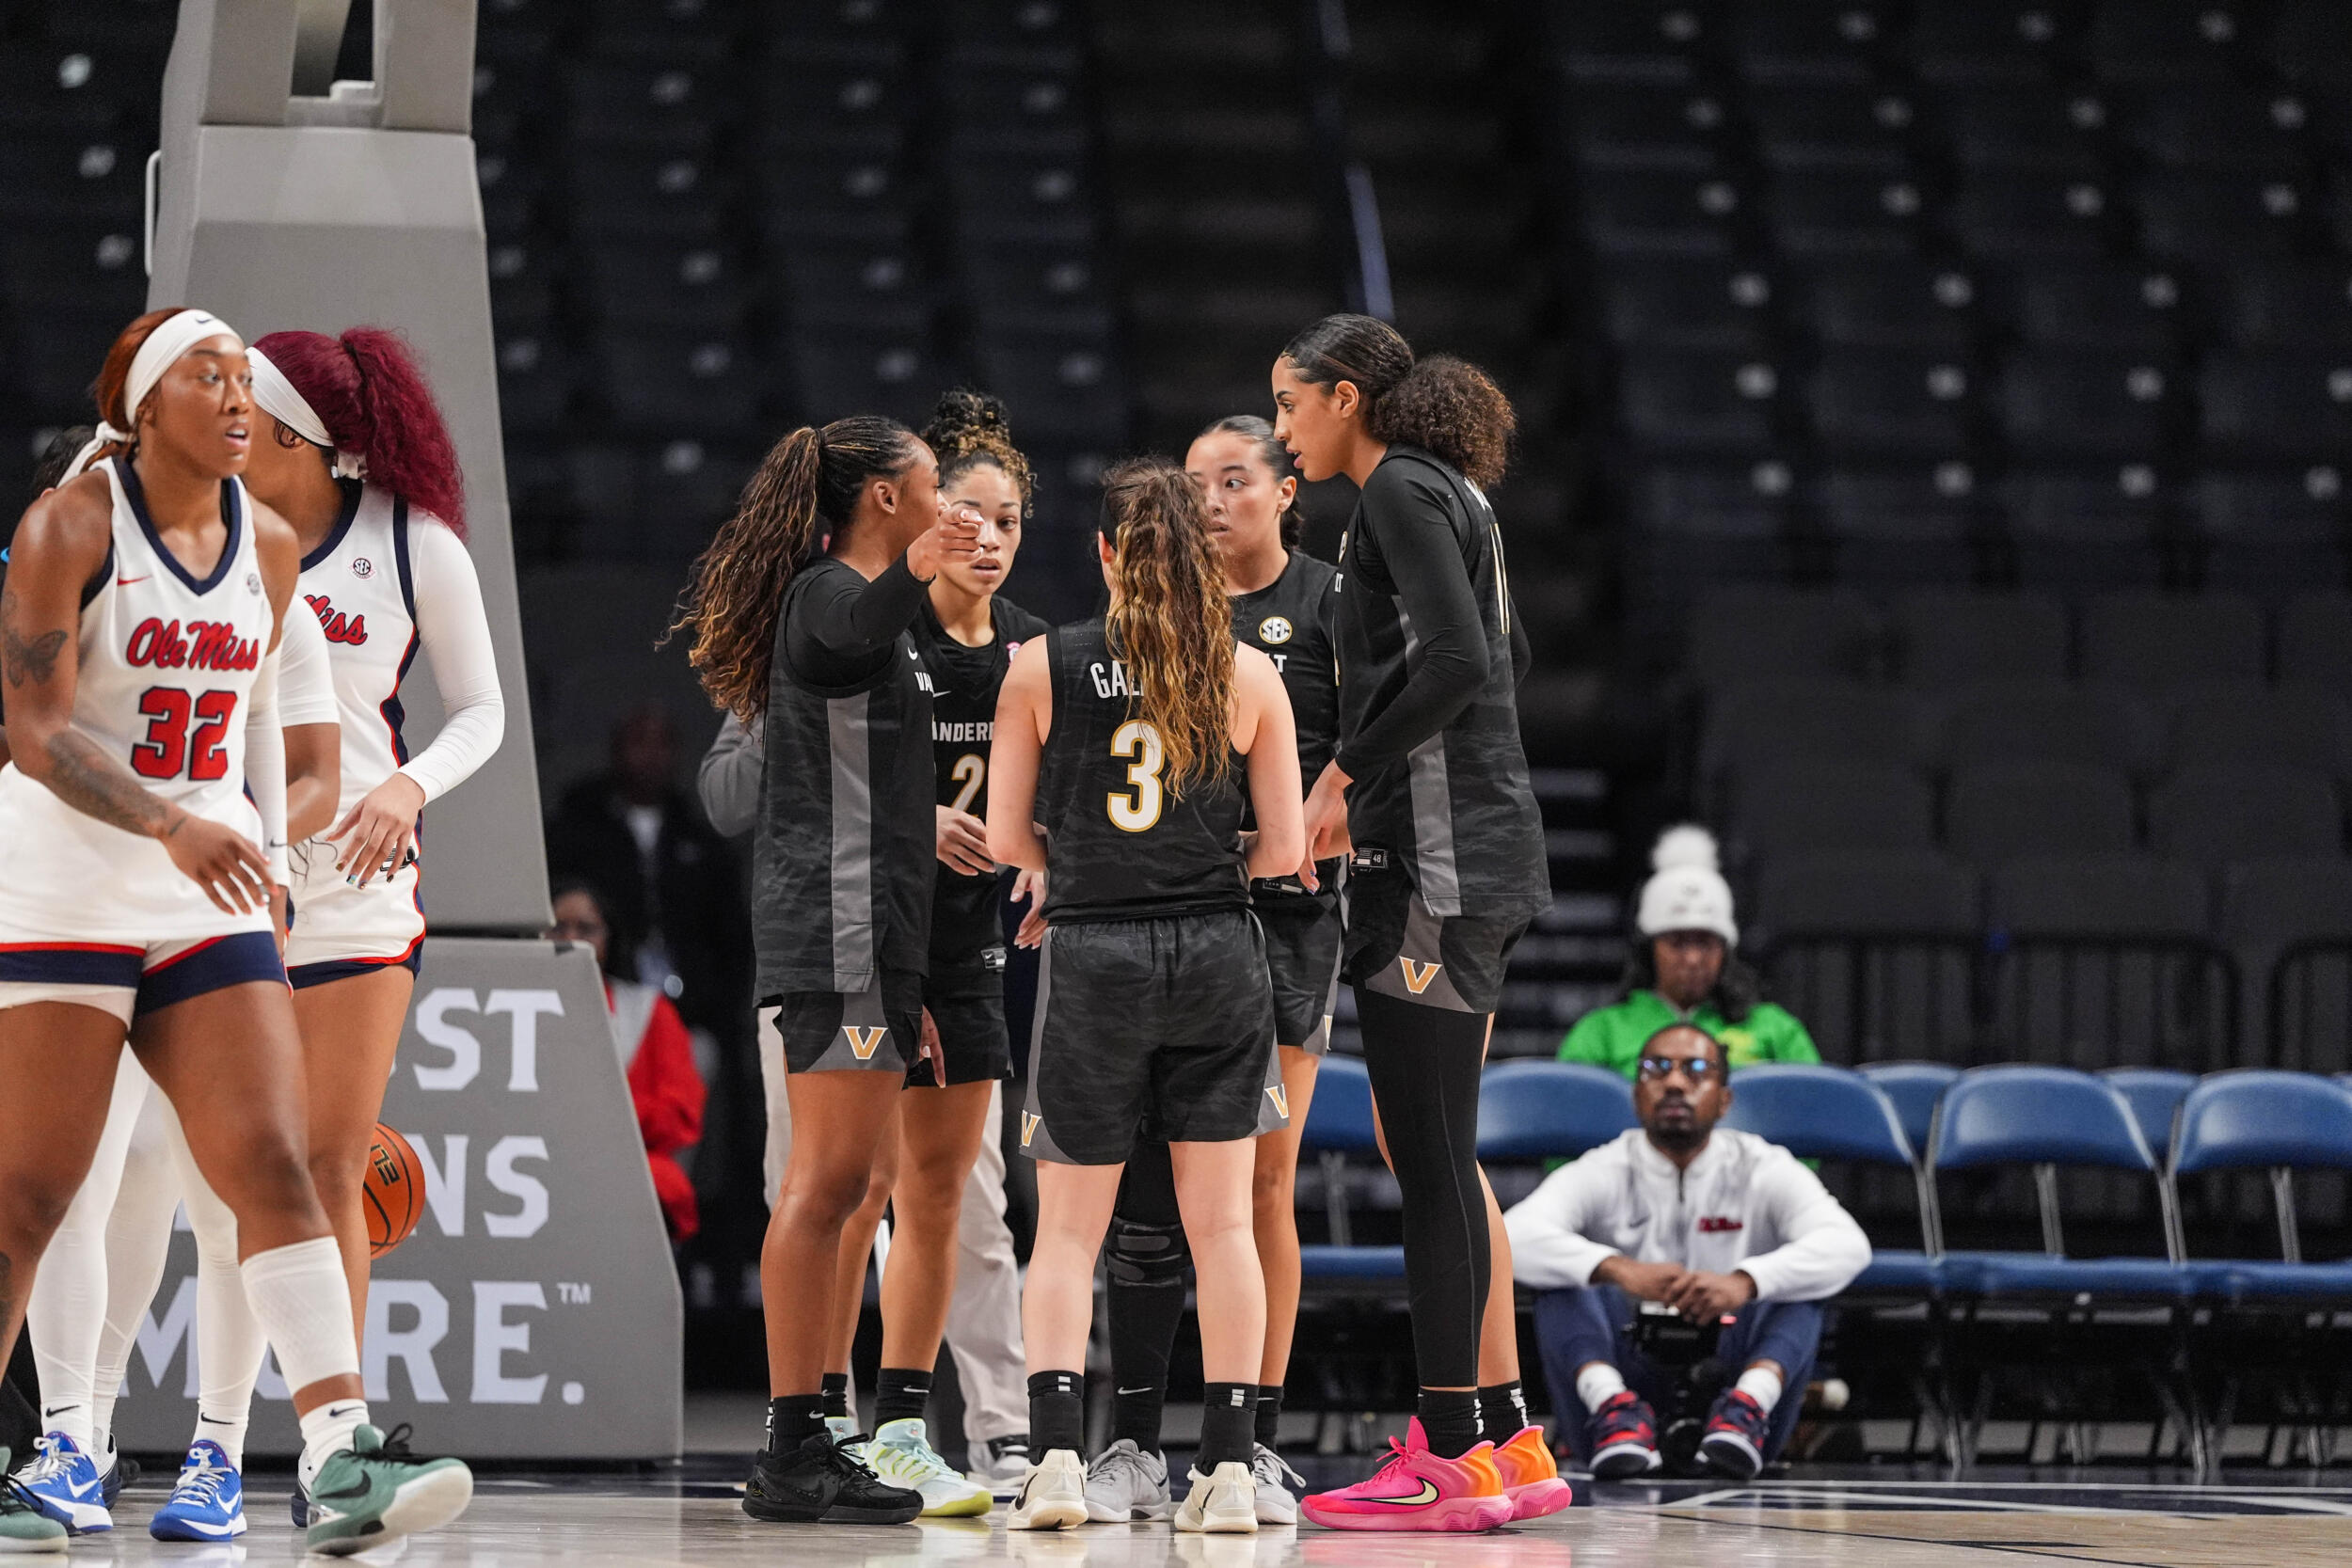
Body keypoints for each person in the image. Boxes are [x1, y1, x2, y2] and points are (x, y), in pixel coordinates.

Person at [0, 307, 470, 1555]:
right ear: (145, 405)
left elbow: (298, 746)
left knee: (271, 1161)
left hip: (203, 889)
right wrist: (171, 820)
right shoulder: (69, 525)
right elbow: (35, 730)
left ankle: (337, 1449)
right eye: (208, 376)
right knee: (34, 1193)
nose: (236, 396)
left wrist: (261, 837)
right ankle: (63, 1435)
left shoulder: (267, 547)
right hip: (68, 883)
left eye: (244, 382)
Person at [1274, 314, 1554, 1532]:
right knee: (1434, 1150)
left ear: (1344, 397)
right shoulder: (1449, 491)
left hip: (1439, 865)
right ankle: (1504, 1432)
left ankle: (1446, 1445)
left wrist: (1345, 775)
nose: (1283, 430)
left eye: (1288, 404)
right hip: (1469, 846)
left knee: (1431, 1162)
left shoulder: (1395, 486)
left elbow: (1459, 660)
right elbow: (1508, 650)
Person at [988, 456, 1303, 1536]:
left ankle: (1055, 1458)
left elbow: (1004, 837)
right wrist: (1201, 866)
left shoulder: (1040, 663)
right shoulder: (1247, 671)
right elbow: (1286, 851)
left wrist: (1082, 872)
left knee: (1068, 1233)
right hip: (1217, 954)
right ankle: (1227, 1468)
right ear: (1201, 555)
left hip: (1093, 954)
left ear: (1106, 553)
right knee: (1224, 1227)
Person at [671, 413, 977, 1525]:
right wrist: (919, 567)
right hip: (835, 930)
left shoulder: (871, 605)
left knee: (848, 1185)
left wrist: (912, 978)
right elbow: (845, 628)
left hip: (873, 938)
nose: (946, 499)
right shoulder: (825, 595)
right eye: (932, 482)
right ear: (885, 497)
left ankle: (808, 1437)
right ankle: (794, 1438)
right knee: (823, 1187)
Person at [1084, 415, 1339, 1527]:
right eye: (1194, 485)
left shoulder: (1330, 605)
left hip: (1282, 925)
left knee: (1259, 1189)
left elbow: (1377, 751)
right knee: (1142, 1200)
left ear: (1286, 492)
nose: (1211, 501)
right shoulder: (1136, 619)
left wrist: (1304, 824)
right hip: (1152, 927)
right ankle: (1133, 1440)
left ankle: (1251, 1441)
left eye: (1234, 478)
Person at [699, 710, 1035, 1491]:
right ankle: (820, 1425)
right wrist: (786, 713)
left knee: (966, 1201)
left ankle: (997, 1426)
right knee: (818, 1192)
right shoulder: (794, 665)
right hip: (826, 960)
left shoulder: (993, 659)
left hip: (948, 956)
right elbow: (726, 798)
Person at [1506, 1022, 1870, 1481]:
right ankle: (1612, 1406)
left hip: (1732, 1366)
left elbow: (1848, 1244)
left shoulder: (1762, 1165)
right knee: (1564, 1276)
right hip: (1625, 1367)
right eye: (1656, 1069)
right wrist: (1618, 1269)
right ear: (1637, 1096)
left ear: (1724, 1100)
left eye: (1696, 1070)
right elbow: (1511, 1235)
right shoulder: (1604, 1166)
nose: (1675, 1082)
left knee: (1799, 1280)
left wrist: (1745, 1281)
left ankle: (1748, 1405)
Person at [545, 705, 751, 1040]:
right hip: (598, 1005)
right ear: (616, 749)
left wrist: (719, 1009)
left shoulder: (700, 839)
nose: (650, 755)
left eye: (661, 743)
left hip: (691, 1015)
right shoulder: (577, 832)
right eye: (639, 741)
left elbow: (731, 940)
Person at [1561, 826, 1820, 1078]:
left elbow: (1815, 1100)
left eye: (1706, 942)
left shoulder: (1776, 1029)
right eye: (1677, 943)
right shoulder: (1601, 1033)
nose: (1693, 958)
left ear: (1726, 950)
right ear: (1649, 948)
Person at [549, 881, 707, 1243]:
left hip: (628, 1168)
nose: (571, 939)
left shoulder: (650, 1013)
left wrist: (594, 1121)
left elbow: (680, 1117)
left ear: (609, 937)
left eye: (586, 929)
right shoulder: (505, 1006)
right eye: (558, 928)